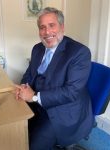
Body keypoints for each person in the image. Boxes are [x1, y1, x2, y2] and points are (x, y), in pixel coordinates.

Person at [15, 7, 94, 150]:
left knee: (33, 146)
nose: (47, 32)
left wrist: (33, 97)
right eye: (42, 27)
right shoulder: (37, 48)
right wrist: (23, 87)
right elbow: (29, 74)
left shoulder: (79, 52)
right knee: (16, 130)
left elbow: (71, 92)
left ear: (62, 27)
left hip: (64, 111)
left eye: (52, 25)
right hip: (38, 103)